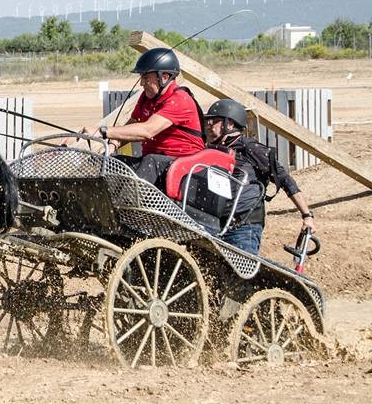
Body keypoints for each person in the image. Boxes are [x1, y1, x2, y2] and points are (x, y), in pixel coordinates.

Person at [205, 98, 316, 255]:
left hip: (244, 227)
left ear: (229, 124)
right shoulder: (211, 151)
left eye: (214, 121)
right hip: (217, 224)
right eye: (207, 121)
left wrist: (307, 216)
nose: (208, 125)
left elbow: (285, 180)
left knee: (240, 277)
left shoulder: (252, 149)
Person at [80, 48, 205, 186]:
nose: (141, 83)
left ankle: (125, 206)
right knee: (111, 163)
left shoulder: (180, 99)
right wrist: (112, 146)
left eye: (146, 78)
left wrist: (102, 131)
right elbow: (131, 127)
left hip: (184, 168)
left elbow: (147, 131)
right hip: (155, 165)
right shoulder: (147, 98)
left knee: (150, 161)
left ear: (164, 77)